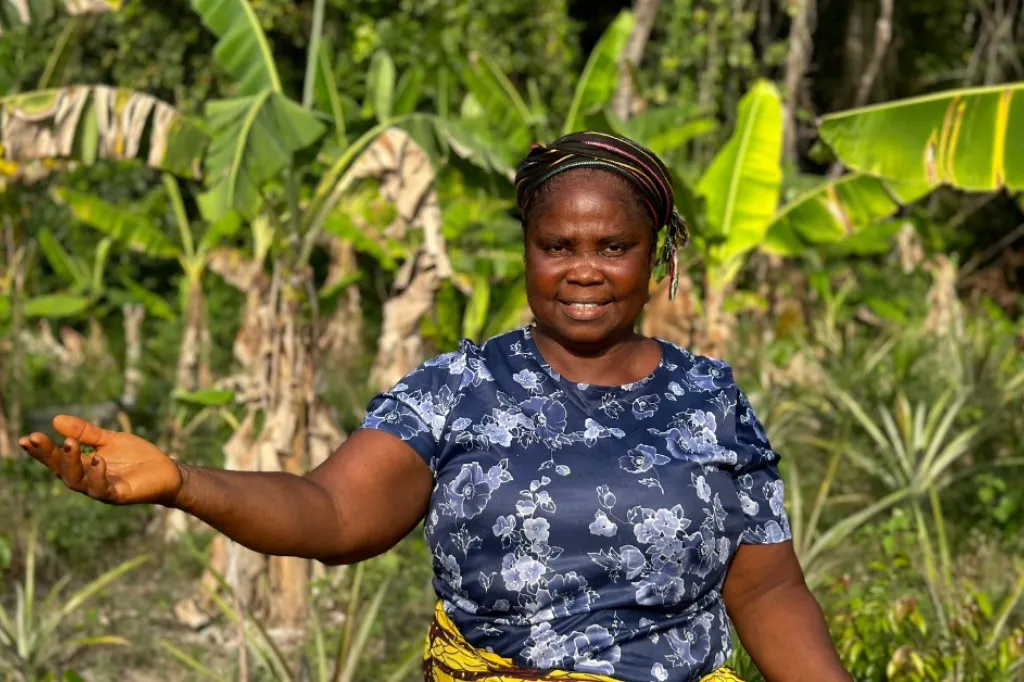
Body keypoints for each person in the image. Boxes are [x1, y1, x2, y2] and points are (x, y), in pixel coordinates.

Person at [19, 132, 852, 682]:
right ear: (527, 250)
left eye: (613, 247)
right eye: (557, 246)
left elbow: (768, 592)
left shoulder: (708, 398)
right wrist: (182, 482)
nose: (584, 270)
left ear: (656, 254)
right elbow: (333, 511)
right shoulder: (459, 390)